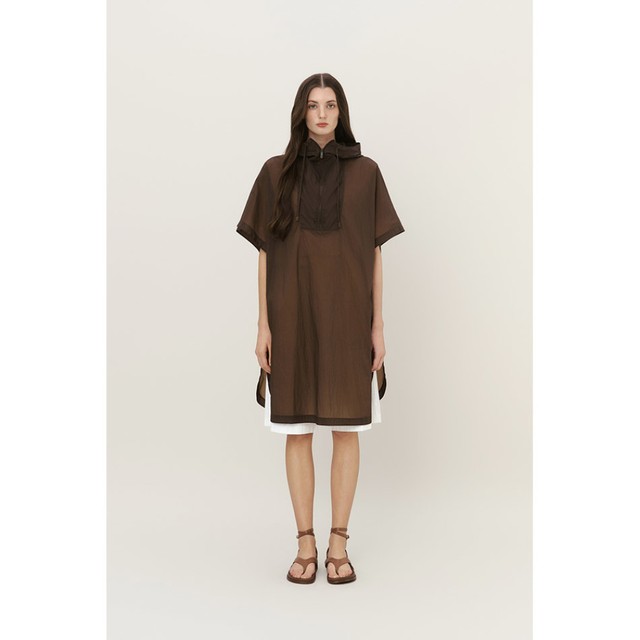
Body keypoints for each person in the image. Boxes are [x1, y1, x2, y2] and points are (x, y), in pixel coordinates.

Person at [236, 73, 405, 584]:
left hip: (349, 318)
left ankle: (339, 544)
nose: (323, 114)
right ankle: (305, 543)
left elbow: (374, 253)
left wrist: (378, 325)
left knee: (347, 429)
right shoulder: (275, 173)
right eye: (314, 105)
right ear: (301, 113)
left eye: (331, 105)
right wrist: (263, 324)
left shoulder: (366, 173)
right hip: (292, 317)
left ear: (341, 112)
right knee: (296, 431)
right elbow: (265, 253)